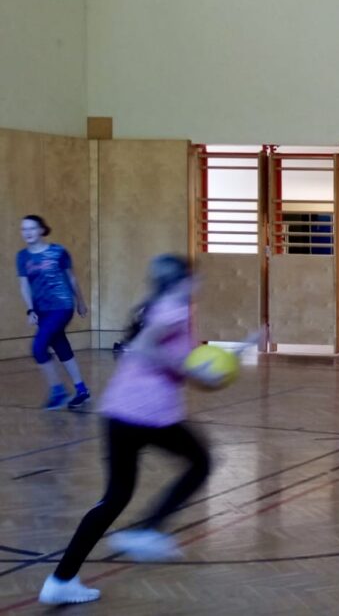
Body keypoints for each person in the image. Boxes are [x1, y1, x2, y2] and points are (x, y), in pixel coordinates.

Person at [39, 255, 253, 606]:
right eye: (194, 278)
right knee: (200, 462)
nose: (198, 283)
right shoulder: (176, 310)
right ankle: (148, 530)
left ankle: (61, 580)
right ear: (182, 282)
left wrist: (239, 350)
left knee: (115, 498)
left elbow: (188, 360)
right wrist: (193, 371)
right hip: (148, 413)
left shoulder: (155, 306)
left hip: (118, 411)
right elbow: (145, 347)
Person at [15, 215, 91, 410]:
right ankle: (81, 390)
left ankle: (58, 392)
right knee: (60, 345)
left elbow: (71, 279)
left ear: (41, 230)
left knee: (38, 347)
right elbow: (24, 286)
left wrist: (81, 302)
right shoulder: (22, 256)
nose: (27, 232)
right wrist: (30, 309)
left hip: (62, 306)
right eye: (24, 229)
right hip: (42, 309)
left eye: (32, 228)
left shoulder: (58, 251)